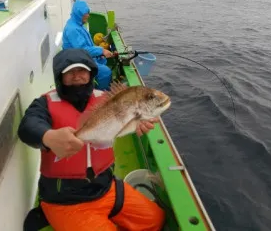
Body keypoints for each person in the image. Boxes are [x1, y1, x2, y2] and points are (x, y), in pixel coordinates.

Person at [18, 48, 165, 231]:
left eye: (82, 70)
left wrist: (137, 125)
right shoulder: (44, 103)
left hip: (106, 188)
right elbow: (27, 126)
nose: (77, 76)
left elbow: (121, 124)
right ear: (59, 76)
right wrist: (47, 136)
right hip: (65, 200)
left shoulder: (105, 99)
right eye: (69, 71)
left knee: (155, 219)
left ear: (90, 72)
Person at [62, 0, 113, 91]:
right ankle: (100, 94)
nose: (88, 16)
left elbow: (88, 45)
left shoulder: (79, 24)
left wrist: (98, 54)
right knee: (105, 72)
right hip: (75, 60)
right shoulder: (72, 29)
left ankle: (95, 84)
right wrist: (101, 50)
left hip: (81, 56)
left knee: (103, 60)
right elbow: (83, 50)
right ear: (79, 15)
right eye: (86, 14)